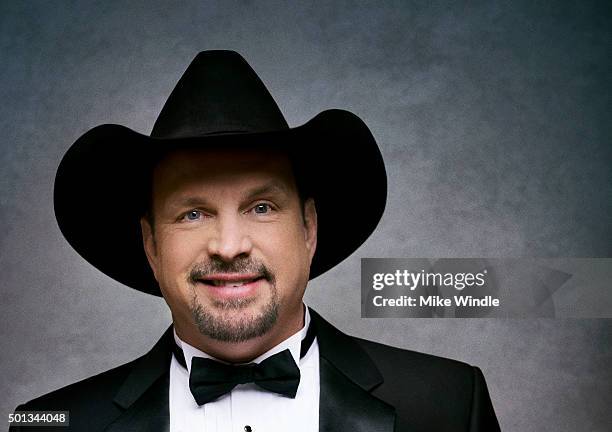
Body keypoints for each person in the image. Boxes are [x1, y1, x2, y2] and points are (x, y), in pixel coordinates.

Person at [11, 50, 500, 431]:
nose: (228, 245)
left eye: (261, 207)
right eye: (193, 213)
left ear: (309, 228)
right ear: (151, 244)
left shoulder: (450, 405)